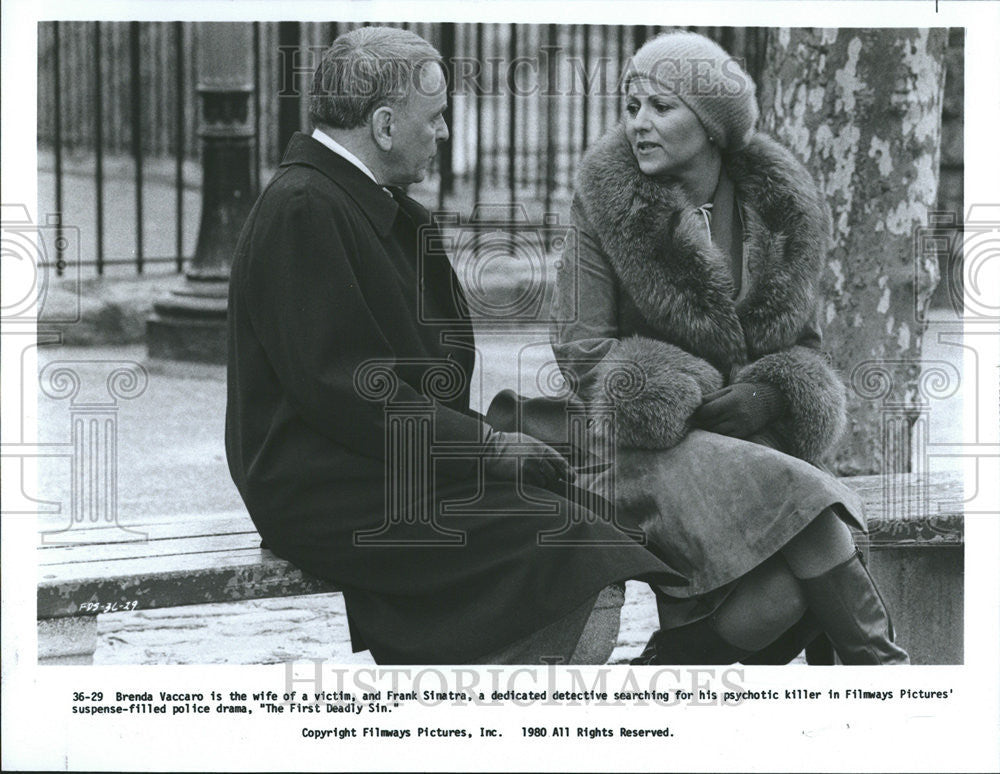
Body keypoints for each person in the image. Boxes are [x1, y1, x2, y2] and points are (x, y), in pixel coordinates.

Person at [225, 26, 687, 665]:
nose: (443, 133)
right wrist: (488, 448)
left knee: (586, 507)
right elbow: (346, 392)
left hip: (375, 464)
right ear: (385, 125)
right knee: (569, 538)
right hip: (320, 485)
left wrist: (485, 446)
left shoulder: (370, 205)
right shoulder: (306, 207)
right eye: (436, 117)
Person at [551, 31, 909, 665]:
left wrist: (768, 393)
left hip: (753, 448)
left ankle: (661, 668)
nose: (639, 124)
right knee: (810, 502)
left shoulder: (779, 206)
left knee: (780, 601)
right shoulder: (605, 200)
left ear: (713, 124)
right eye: (632, 107)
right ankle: (881, 670)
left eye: (662, 107)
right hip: (640, 449)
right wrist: (690, 394)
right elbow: (582, 350)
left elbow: (805, 343)